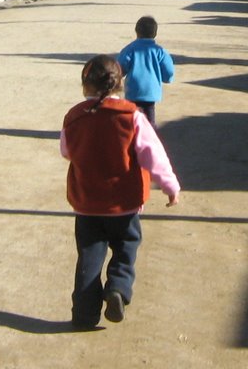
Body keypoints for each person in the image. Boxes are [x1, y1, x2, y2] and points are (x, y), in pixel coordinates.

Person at [61, 54, 180, 330]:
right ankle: (117, 288)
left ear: (85, 86)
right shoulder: (132, 117)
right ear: (119, 84)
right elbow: (153, 156)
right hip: (124, 204)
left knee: (88, 258)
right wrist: (170, 185)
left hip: (87, 203)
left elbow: (66, 151)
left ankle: (83, 315)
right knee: (125, 250)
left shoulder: (74, 116)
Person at [117, 16, 175, 128]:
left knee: (132, 121)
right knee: (149, 121)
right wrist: (167, 78)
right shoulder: (159, 51)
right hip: (151, 93)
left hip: (133, 92)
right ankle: (150, 140)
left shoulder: (129, 49)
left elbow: (120, 68)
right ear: (155, 33)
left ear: (136, 32)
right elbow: (168, 70)